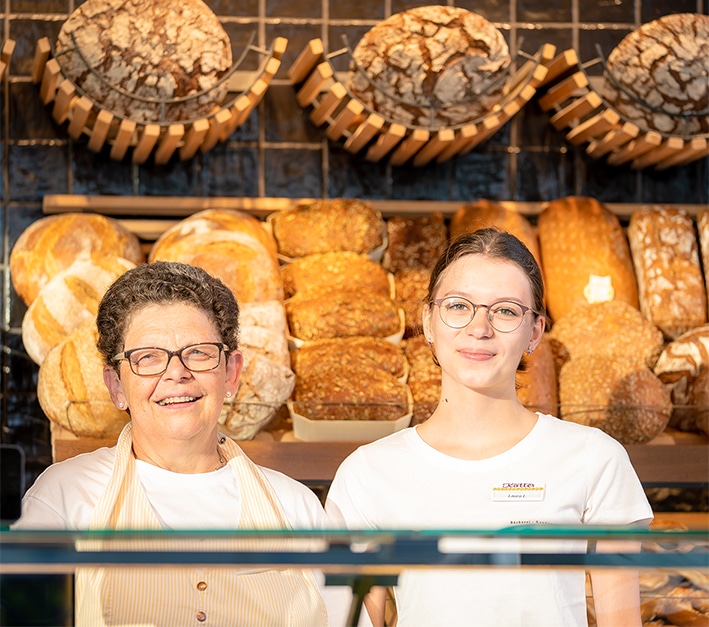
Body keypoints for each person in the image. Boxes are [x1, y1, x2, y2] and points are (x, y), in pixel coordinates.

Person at [325, 228, 653, 627]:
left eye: (506, 311)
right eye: (459, 306)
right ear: (428, 321)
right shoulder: (368, 473)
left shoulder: (593, 458)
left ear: (535, 332)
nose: (480, 328)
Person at [14, 261, 346, 626]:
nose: (176, 373)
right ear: (116, 386)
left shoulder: (295, 506)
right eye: (148, 358)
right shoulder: (65, 496)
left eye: (199, 352)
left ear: (231, 372)